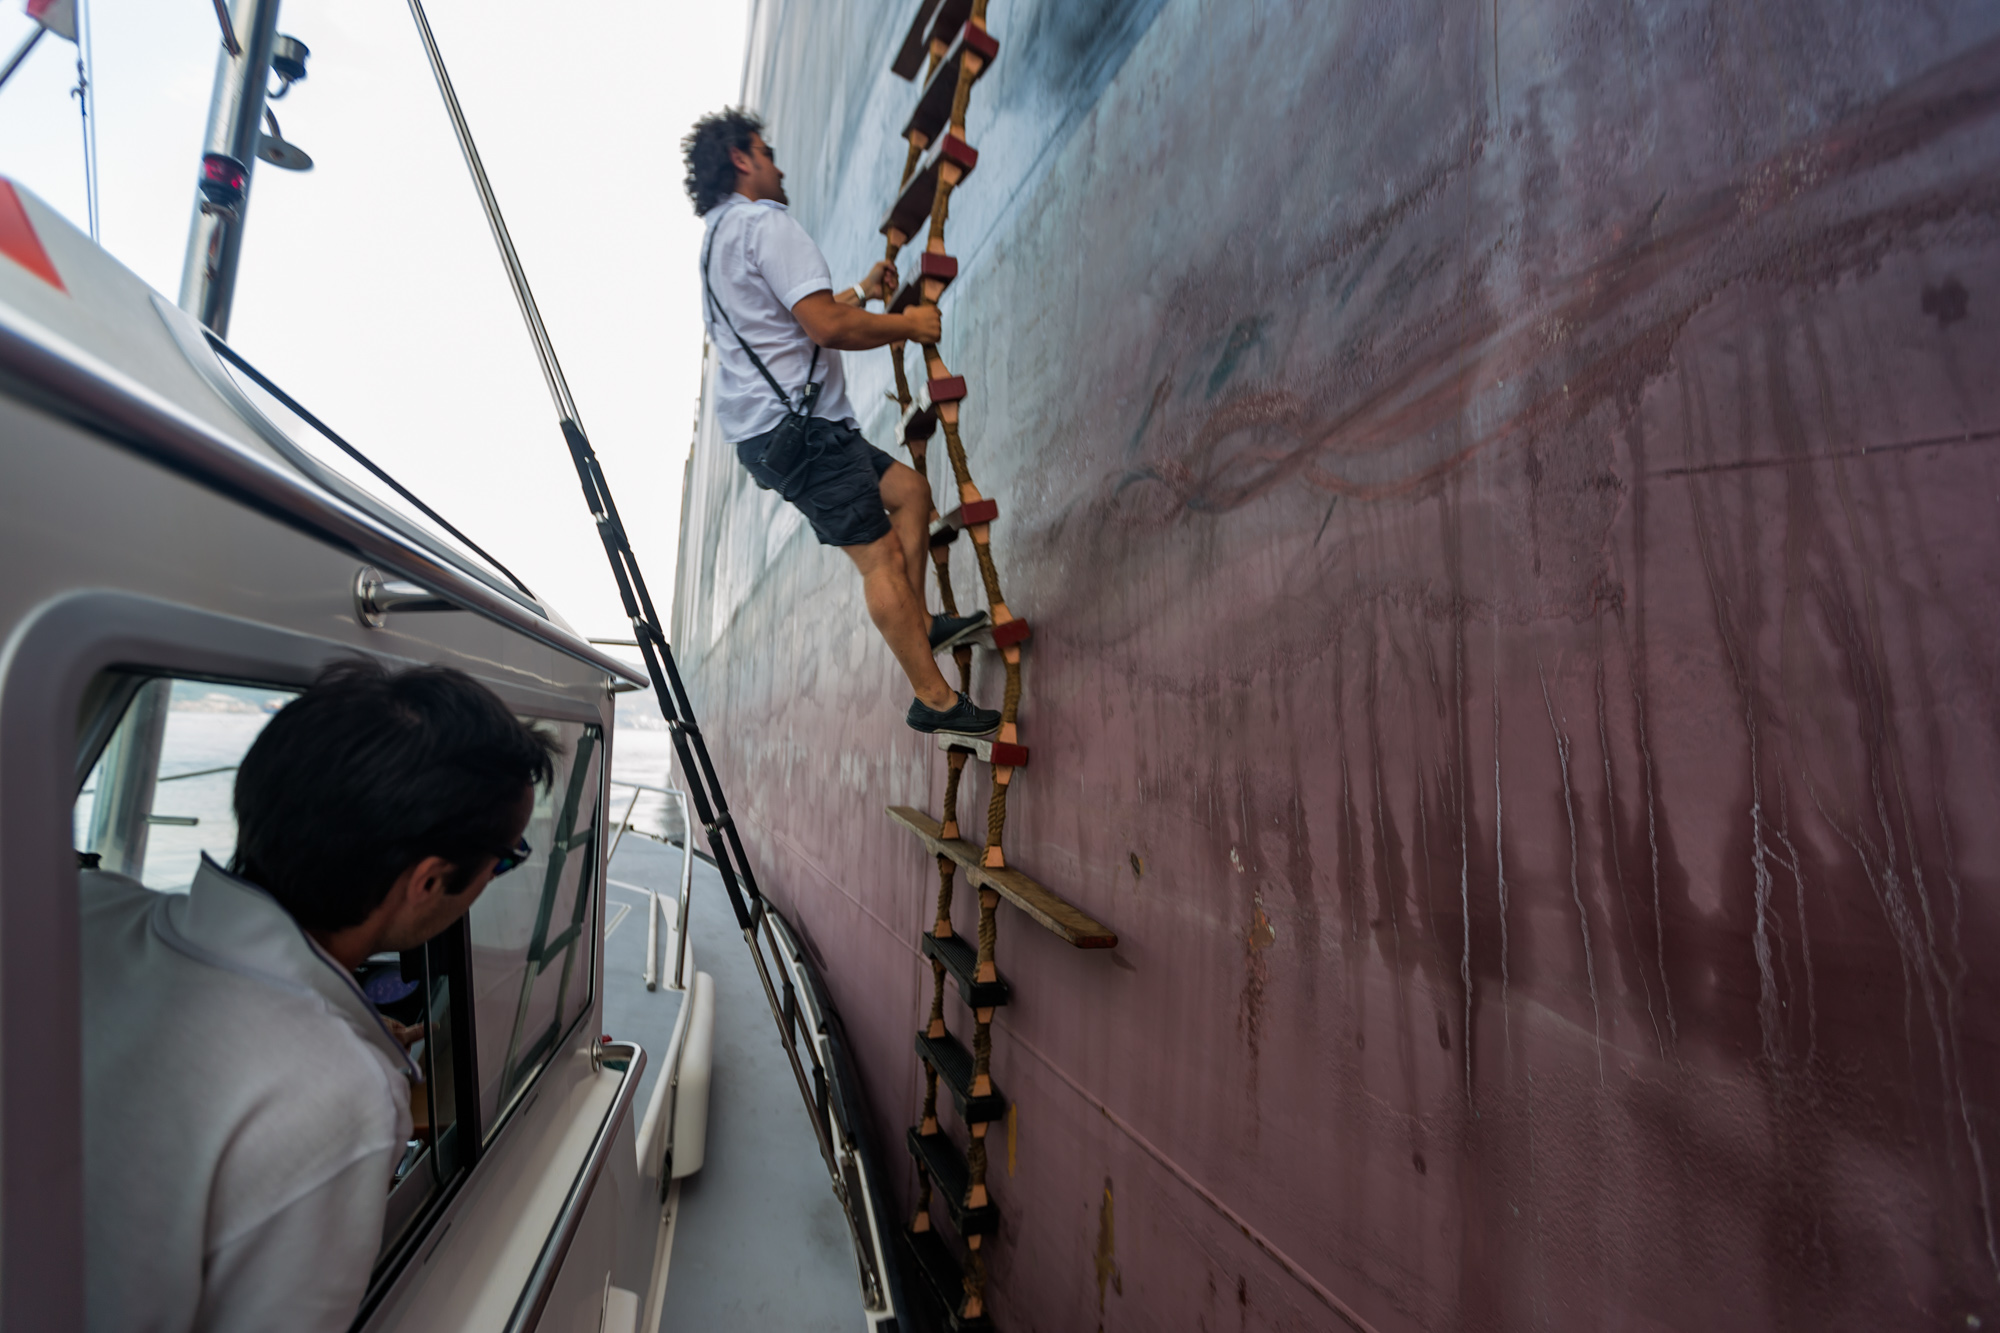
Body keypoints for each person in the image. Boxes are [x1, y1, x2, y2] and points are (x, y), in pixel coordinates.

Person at [79, 660, 558, 1333]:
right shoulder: (343, 1095)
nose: (499, 873)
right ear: (428, 881)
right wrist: (345, 1058)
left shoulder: (79, 905)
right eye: (506, 858)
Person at [681, 107, 1001, 736]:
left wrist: (857, 289)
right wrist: (909, 324)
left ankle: (922, 623)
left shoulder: (718, 241)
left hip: (782, 432)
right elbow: (825, 328)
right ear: (742, 160)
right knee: (879, 557)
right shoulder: (764, 224)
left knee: (910, 493)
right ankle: (933, 700)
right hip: (803, 432)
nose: (778, 165)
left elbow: (789, 321)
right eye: (766, 152)